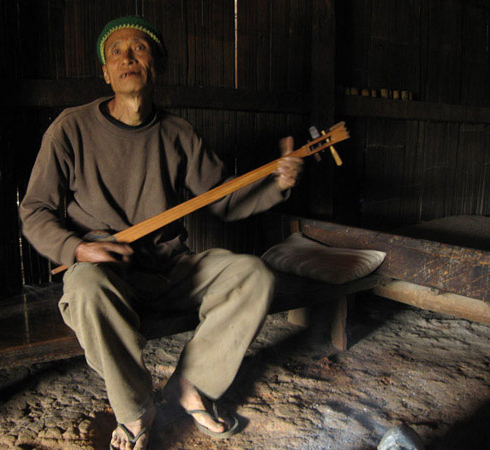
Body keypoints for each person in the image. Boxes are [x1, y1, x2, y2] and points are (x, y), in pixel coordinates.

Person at [20, 15, 303, 450]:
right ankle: (134, 411)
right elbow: (35, 211)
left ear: (157, 65)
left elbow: (223, 199)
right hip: (104, 272)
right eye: (116, 52)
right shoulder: (70, 128)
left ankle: (191, 386)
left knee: (253, 274)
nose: (127, 57)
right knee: (88, 290)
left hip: (168, 266)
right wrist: (78, 248)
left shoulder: (178, 133)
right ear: (106, 72)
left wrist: (277, 183)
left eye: (139, 48)